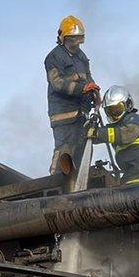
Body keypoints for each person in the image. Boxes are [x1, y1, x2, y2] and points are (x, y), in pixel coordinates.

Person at [45, 15, 100, 173]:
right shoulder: (54, 57)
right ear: (62, 38)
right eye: (72, 40)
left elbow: (88, 77)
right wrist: (81, 89)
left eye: (79, 40)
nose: (75, 44)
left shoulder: (81, 57)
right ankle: (54, 182)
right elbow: (57, 83)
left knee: (82, 151)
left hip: (81, 112)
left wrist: (95, 93)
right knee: (64, 151)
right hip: (63, 114)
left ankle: (77, 185)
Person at [89, 85, 139, 184]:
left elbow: (127, 134)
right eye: (110, 111)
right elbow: (96, 135)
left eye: (117, 109)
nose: (114, 114)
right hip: (129, 174)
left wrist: (97, 133)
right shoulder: (114, 127)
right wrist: (84, 133)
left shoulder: (134, 119)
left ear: (128, 104)